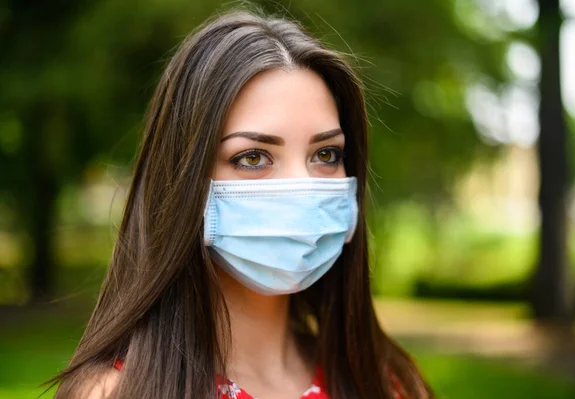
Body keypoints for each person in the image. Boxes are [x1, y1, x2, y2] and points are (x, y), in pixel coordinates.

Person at [46, 9, 433, 399]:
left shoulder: (389, 384)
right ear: (183, 181)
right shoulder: (116, 393)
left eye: (326, 154)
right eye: (253, 157)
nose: (302, 187)